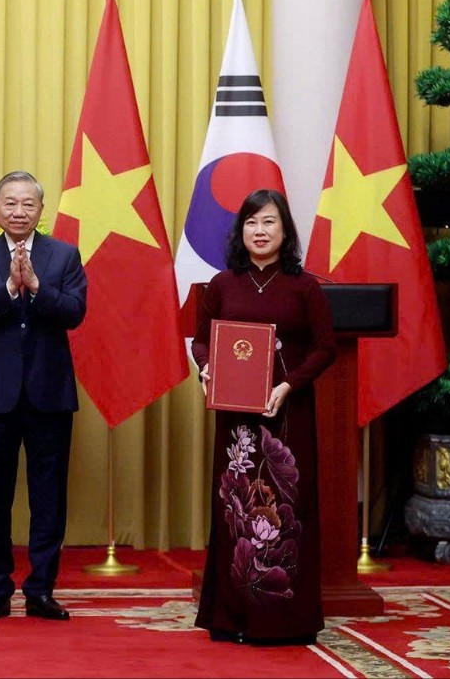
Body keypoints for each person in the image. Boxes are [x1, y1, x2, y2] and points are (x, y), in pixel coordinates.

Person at [192, 188, 336, 645]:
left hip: (287, 416)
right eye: (252, 222)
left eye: (269, 222)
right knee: (235, 507)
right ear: (241, 231)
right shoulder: (222, 284)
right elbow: (200, 341)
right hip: (236, 423)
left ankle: (283, 620)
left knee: (284, 513)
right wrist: (207, 367)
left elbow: (325, 348)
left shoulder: (305, 286)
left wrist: (289, 384)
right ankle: (231, 616)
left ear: (285, 230)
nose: (260, 231)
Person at [0, 171, 87, 622]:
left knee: (48, 497)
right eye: (11, 203)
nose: (19, 211)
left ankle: (41, 590)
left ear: (41, 211)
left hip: (49, 393)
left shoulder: (64, 255)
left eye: (28, 204)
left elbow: (75, 312)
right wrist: (9, 289)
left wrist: (37, 288)